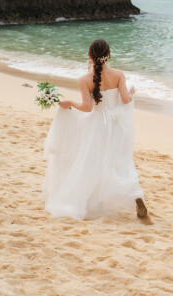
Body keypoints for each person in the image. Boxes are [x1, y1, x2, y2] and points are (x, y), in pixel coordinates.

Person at [43, 39, 148, 220]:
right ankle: (135, 195)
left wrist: (69, 103)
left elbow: (87, 107)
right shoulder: (118, 74)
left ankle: (90, 199)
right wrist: (132, 93)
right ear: (108, 56)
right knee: (121, 161)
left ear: (90, 57)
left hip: (98, 126)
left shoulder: (85, 79)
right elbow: (124, 99)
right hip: (118, 126)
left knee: (93, 162)